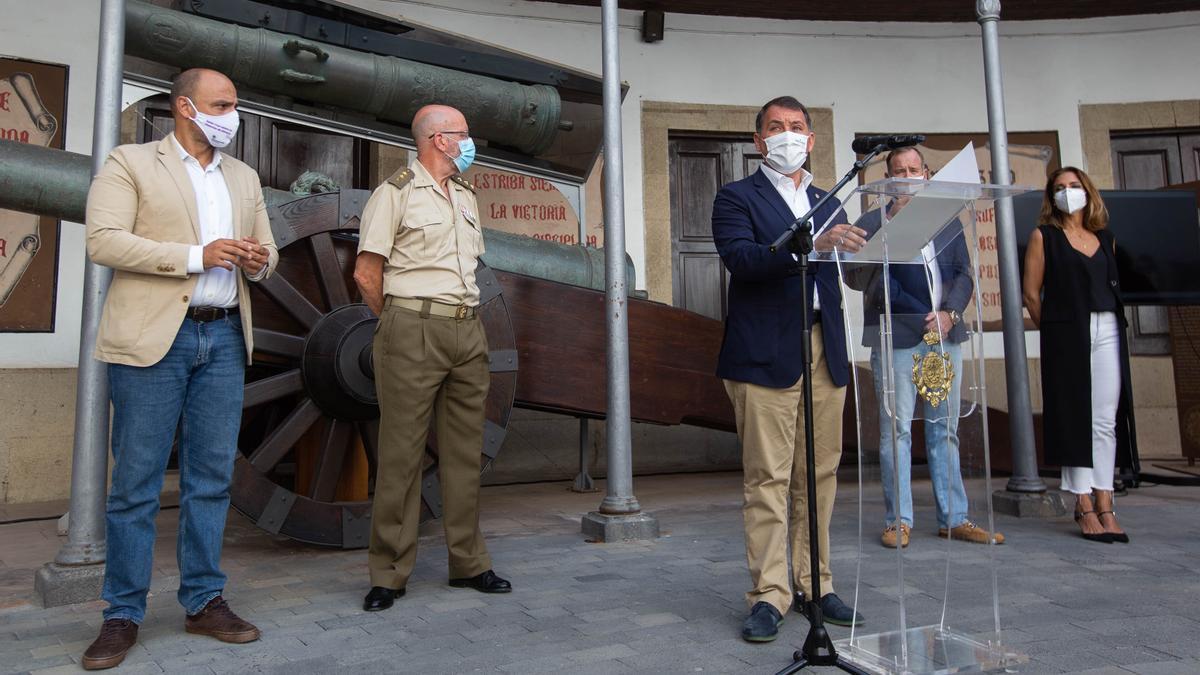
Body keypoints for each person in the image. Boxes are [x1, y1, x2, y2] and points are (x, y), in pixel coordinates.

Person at [81, 68, 277, 670]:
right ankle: (121, 614)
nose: (233, 115)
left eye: (236, 105)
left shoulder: (243, 176)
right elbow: (104, 242)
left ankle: (204, 600)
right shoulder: (131, 162)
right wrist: (200, 255)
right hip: (152, 340)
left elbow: (267, 259)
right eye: (223, 104)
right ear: (187, 107)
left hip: (221, 340)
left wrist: (256, 258)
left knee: (211, 478)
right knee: (136, 485)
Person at [712, 96, 868, 643]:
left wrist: (877, 254)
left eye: (797, 127)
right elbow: (746, 262)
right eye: (775, 128)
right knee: (768, 478)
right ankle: (769, 594)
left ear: (812, 138)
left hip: (826, 352)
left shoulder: (830, 201)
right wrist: (810, 246)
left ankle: (814, 581)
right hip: (765, 354)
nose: (787, 135)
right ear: (758, 141)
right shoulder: (735, 198)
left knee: (819, 475)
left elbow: (845, 276)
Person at [354, 104, 511, 612]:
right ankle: (389, 573)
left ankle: (469, 562)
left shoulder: (465, 195)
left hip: (468, 329)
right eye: (464, 134)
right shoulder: (395, 192)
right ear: (438, 140)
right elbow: (366, 272)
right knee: (401, 455)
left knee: (465, 455)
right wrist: (399, 321)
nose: (471, 142)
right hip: (413, 328)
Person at [852, 147, 1003, 549]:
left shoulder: (947, 218)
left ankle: (954, 518)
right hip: (899, 336)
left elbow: (963, 274)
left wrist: (950, 313)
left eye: (913, 170)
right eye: (898, 171)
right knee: (897, 430)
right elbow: (864, 278)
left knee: (945, 429)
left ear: (927, 173)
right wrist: (918, 312)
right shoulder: (872, 222)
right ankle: (897, 520)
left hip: (944, 337)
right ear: (887, 178)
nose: (906, 176)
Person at [1022, 166, 1131, 544]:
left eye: (1074, 186)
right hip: (1068, 331)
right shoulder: (1044, 237)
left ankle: (1106, 499)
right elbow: (1031, 295)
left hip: (1108, 329)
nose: (1068, 192)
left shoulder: (1106, 238)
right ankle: (1082, 502)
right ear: (1051, 197)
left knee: (1104, 419)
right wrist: (1056, 330)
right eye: (1060, 188)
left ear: (1088, 190)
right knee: (1075, 416)